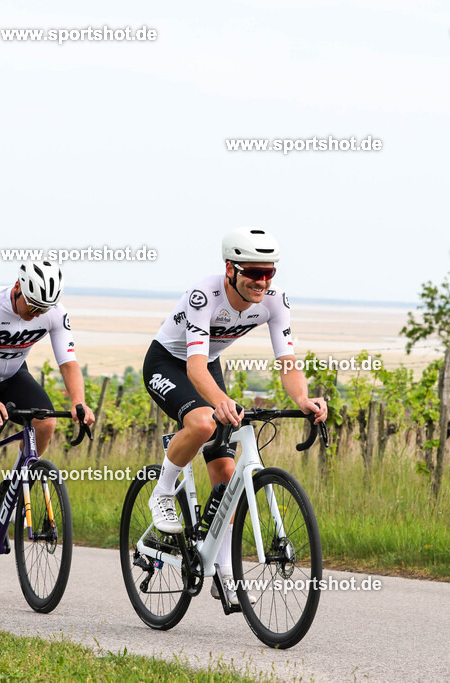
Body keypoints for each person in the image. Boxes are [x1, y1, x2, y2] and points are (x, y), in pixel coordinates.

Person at [142, 227, 328, 604]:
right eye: (253, 273)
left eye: (269, 272)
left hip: (207, 365)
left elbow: (287, 362)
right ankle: (162, 492)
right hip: (168, 362)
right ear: (230, 269)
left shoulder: (274, 301)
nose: (262, 281)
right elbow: (193, 367)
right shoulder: (204, 296)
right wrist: (220, 401)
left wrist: (305, 399)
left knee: (227, 478)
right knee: (203, 421)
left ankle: (223, 569)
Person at [0, 261, 95, 580]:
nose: (37, 313)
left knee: (46, 422)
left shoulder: (54, 312)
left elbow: (68, 362)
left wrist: (79, 403)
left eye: (45, 307)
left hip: (13, 375)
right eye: (33, 305)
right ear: (18, 288)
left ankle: (19, 478)